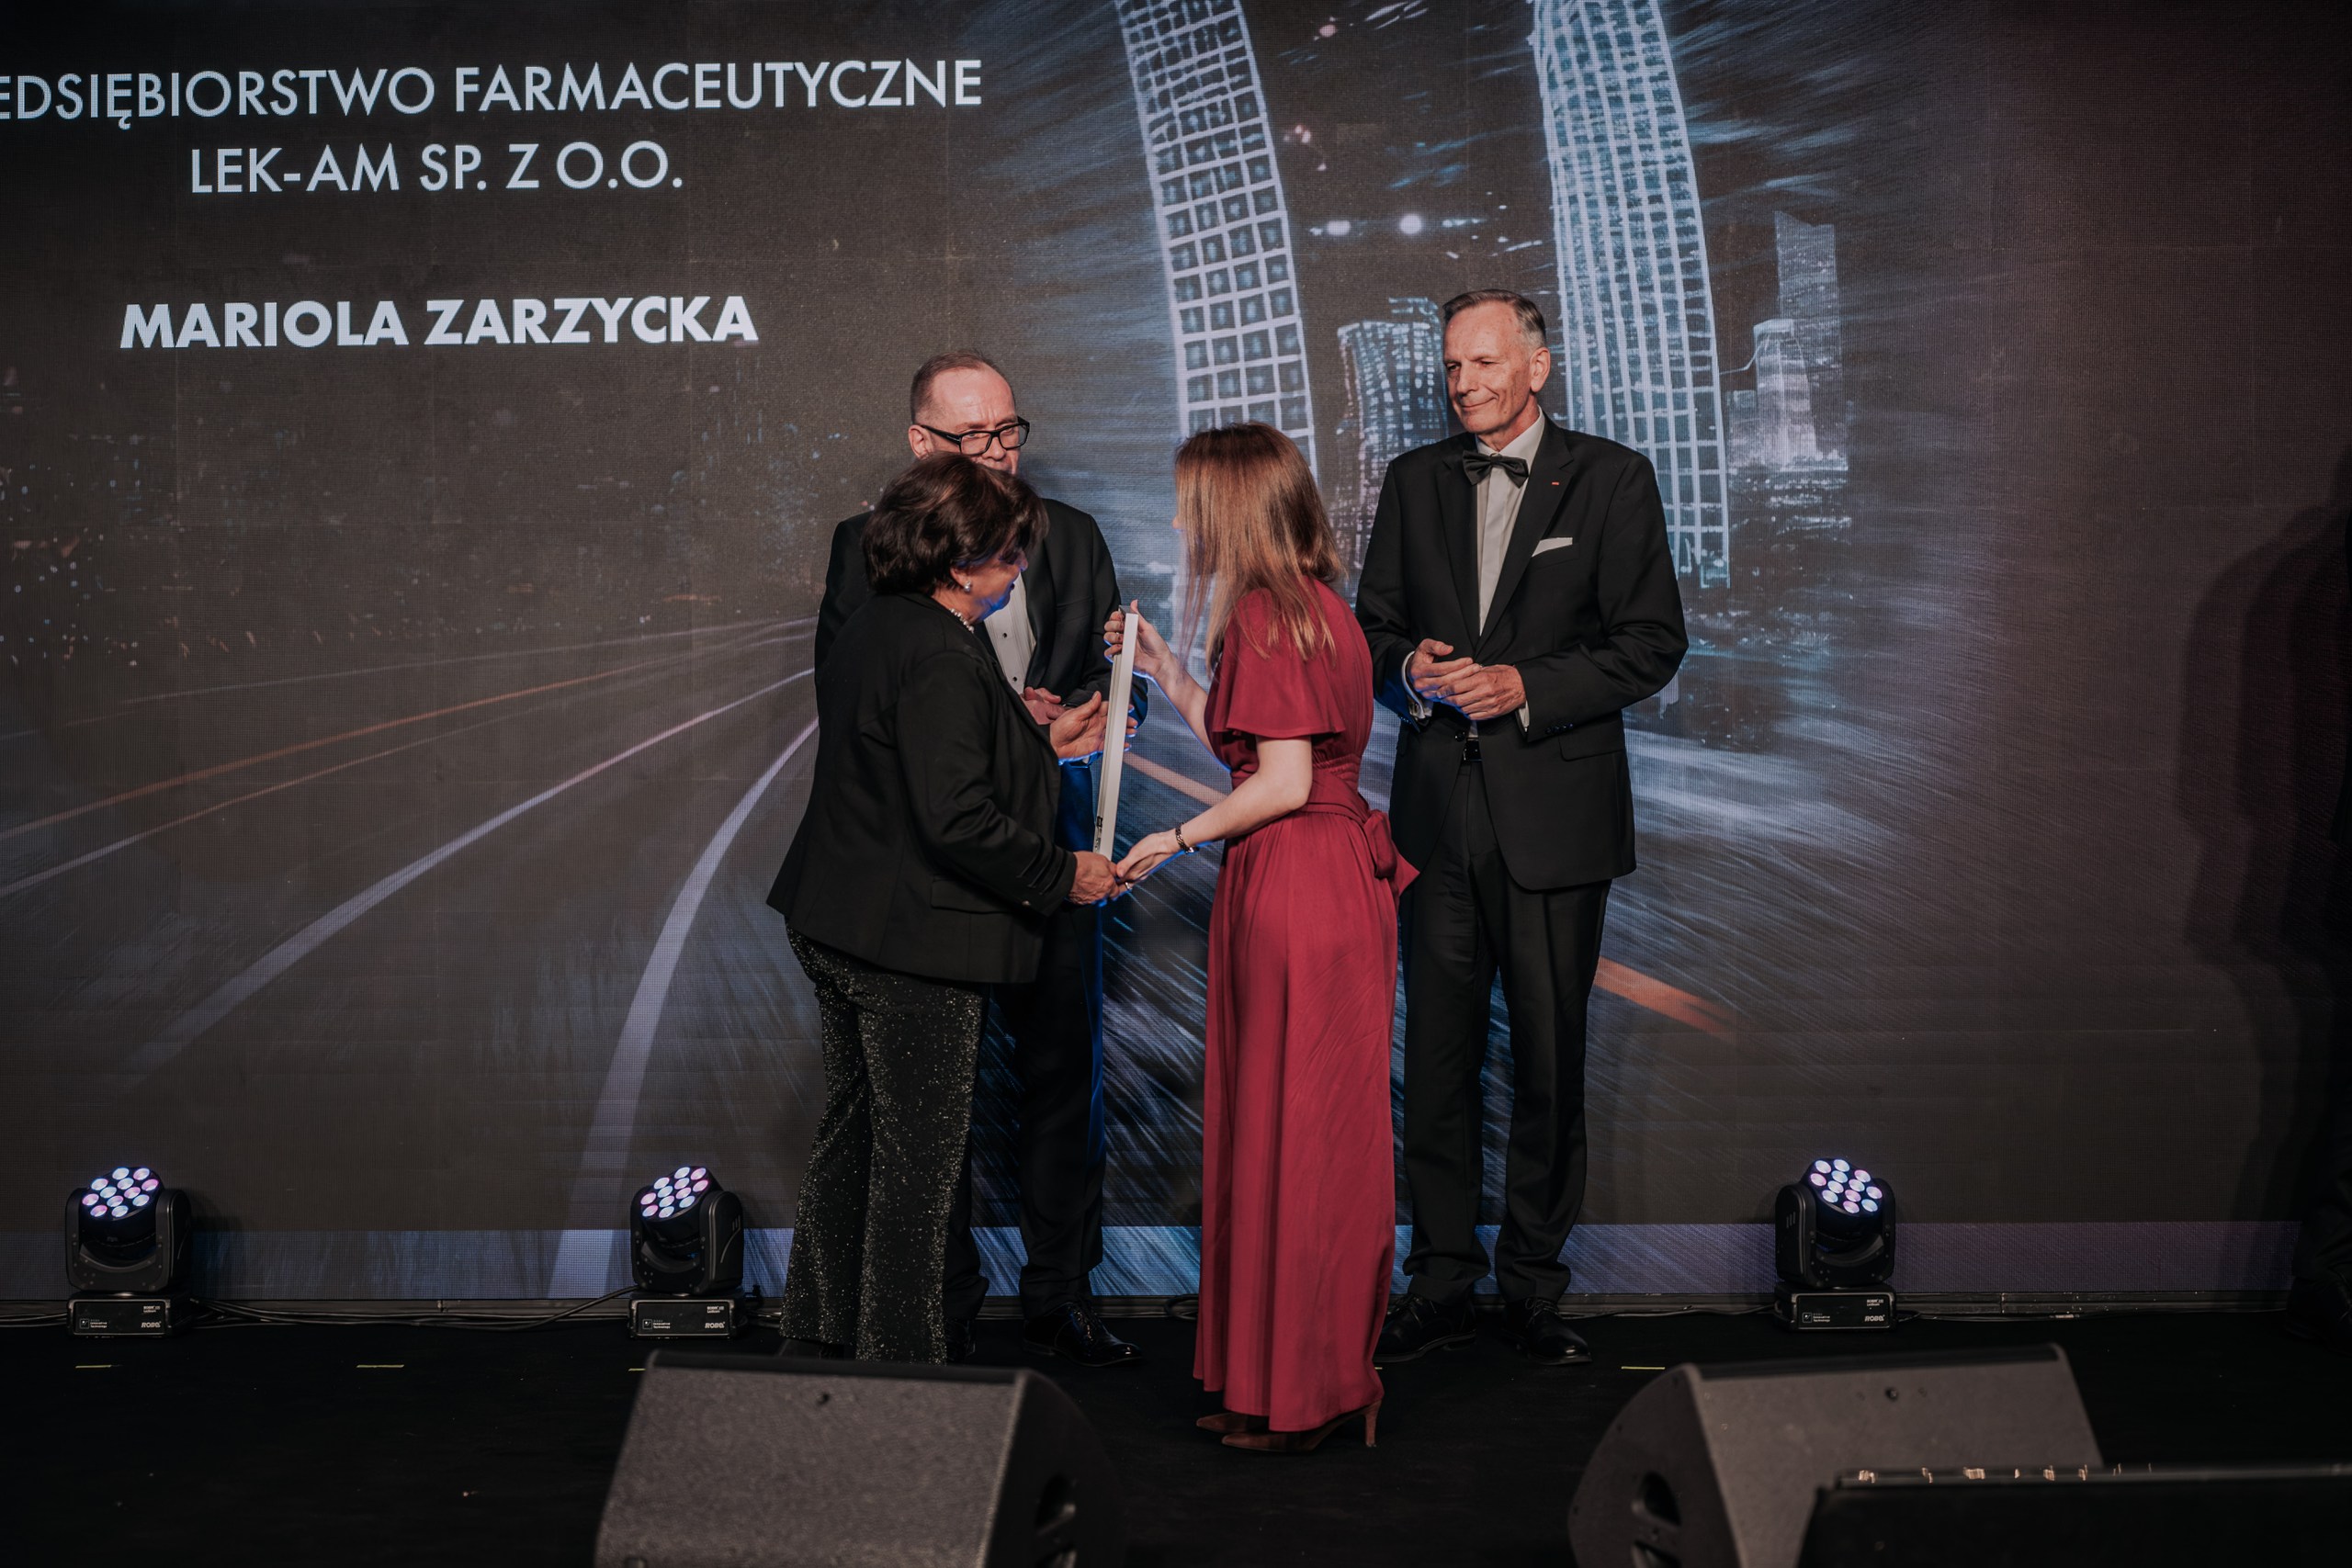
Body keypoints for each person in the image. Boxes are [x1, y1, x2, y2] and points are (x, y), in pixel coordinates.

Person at [1354, 289, 1687, 1368]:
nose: (1463, 384)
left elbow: (1651, 642)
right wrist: (1407, 668)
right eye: (1452, 366)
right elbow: (1372, 628)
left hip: (1554, 817)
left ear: (1537, 367)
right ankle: (1441, 1279)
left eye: (1484, 363)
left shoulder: (1612, 477)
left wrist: (1524, 686)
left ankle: (1534, 1286)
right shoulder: (1412, 480)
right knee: (1436, 1063)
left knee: (1548, 1059)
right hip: (1435, 817)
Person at [815, 353, 1145, 1368]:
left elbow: (1114, 677)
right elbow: (868, 708)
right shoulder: (864, 549)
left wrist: (1090, 709)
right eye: (974, 436)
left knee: (1064, 1076)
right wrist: (1014, 729)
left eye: (1009, 430)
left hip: (1051, 846)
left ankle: (1060, 1293)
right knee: (928, 1104)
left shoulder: (1071, 534)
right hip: (939, 872)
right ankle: (935, 1307)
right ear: (922, 443)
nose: (999, 452)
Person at [1112, 423, 1411, 1453]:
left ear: (1230, 509)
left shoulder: (1265, 614)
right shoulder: (1314, 607)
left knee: (1296, 1140)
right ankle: (1305, 1381)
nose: (1180, 521)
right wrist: (1165, 666)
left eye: (1192, 503)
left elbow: (1277, 784)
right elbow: (1260, 749)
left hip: (1297, 882)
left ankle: (1310, 1390)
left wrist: (1173, 837)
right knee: (1306, 1137)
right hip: (1322, 877)